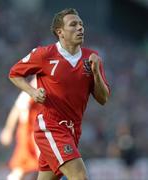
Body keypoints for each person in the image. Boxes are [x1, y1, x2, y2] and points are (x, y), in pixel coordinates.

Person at [8, 8, 110, 180]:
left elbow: (103, 99)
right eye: (74, 24)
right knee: (80, 176)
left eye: (81, 24)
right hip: (51, 126)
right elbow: (14, 73)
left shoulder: (92, 58)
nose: (80, 28)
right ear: (60, 32)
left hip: (73, 130)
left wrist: (96, 73)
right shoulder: (44, 54)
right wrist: (32, 92)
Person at [0, 78, 40, 180]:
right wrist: (8, 130)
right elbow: (17, 108)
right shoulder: (32, 89)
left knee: (40, 168)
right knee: (21, 168)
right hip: (29, 133)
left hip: (39, 133)